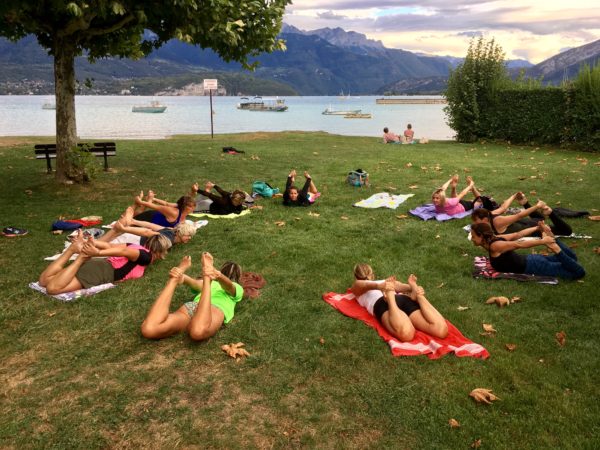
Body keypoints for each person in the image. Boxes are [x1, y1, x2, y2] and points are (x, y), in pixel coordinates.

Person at [140, 253, 243, 341]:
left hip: (193, 307)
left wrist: (185, 278)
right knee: (197, 332)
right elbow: (229, 287)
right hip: (213, 310)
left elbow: (227, 286)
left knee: (150, 329)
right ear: (239, 278)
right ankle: (181, 279)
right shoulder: (238, 288)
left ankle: (176, 280)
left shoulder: (230, 286)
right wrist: (182, 277)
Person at [39, 230, 171, 295]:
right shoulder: (146, 256)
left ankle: (71, 250)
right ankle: (81, 257)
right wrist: (95, 253)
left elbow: (110, 246)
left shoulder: (135, 246)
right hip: (101, 272)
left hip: (97, 265)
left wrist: (89, 243)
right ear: (160, 252)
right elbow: (124, 252)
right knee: (53, 288)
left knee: (44, 282)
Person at [351, 265, 448, 342]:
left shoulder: (359, 289)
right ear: (372, 274)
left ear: (355, 276)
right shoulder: (378, 283)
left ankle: (401, 296)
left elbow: (359, 284)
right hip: (400, 299)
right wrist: (411, 287)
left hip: (384, 303)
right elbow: (398, 285)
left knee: (407, 334)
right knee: (441, 330)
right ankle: (417, 296)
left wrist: (411, 288)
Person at [470, 221, 585, 279]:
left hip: (535, 266)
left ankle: (555, 247)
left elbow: (518, 244)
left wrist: (542, 241)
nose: (472, 239)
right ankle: (554, 240)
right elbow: (518, 234)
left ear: (481, 236)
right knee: (572, 259)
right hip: (533, 260)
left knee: (579, 272)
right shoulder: (494, 239)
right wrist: (537, 228)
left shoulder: (495, 246)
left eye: (473, 236)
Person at [471, 192, 573, 236]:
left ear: (484, 218)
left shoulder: (497, 221)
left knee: (567, 231)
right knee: (540, 218)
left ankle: (550, 213)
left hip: (530, 225)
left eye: (476, 221)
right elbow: (508, 210)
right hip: (528, 225)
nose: (475, 223)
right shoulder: (491, 216)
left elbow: (513, 212)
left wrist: (537, 206)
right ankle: (527, 204)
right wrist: (514, 196)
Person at [100, 206, 197, 246]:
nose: (189, 238)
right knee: (103, 246)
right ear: (182, 232)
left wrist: (133, 221)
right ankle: (119, 227)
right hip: (134, 241)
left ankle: (122, 226)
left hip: (133, 238)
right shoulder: (169, 238)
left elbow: (151, 225)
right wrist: (125, 228)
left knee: (106, 241)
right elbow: (147, 232)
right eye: (189, 235)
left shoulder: (171, 230)